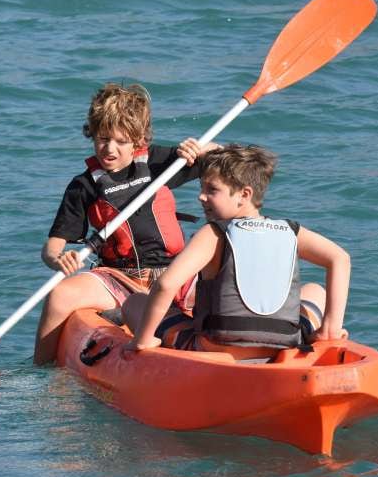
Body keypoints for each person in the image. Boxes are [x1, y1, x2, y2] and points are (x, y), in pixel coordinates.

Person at [34, 83, 220, 365]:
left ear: (138, 141)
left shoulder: (160, 162)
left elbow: (229, 163)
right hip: (119, 278)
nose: (109, 149)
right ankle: (44, 371)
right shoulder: (83, 186)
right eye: (102, 138)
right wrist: (58, 259)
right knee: (60, 295)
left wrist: (204, 149)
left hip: (176, 273)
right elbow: (53, 247)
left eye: (121, 141)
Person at [123, 144, 350, 358]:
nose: (201, 196)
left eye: (212, 190)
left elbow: (165, 285)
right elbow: (339, 258)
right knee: (314, 291)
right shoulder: (291, 231)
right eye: (201, 187)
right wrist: (330, 327)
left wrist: (142, 340)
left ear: (244, 194)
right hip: (282, 346)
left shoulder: (214, 233)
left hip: (216, 348)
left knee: (135, 303)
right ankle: (328, 331)